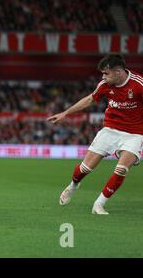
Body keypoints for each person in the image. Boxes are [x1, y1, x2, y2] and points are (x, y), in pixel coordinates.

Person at [47, 54, 142, 215]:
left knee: (121, 169)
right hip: (110, 130)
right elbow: (90, 100)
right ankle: (74, 185)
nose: (103, 77)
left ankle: (99, 204)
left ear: (118, 72)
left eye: (106, 73)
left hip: (135, 133)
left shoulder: (138, 85)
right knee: (85, 168)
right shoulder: (104, 85)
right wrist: (65, 113)